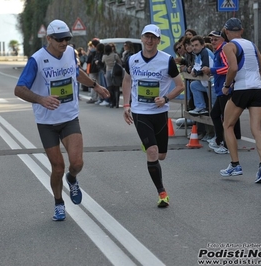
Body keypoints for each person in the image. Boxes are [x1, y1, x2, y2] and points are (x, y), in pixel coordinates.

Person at [14, 19, 110, 221]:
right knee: (57, 167)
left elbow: (76, 73)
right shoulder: (37, 59)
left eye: (67, 38)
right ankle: (58, 202)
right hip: (47, 122)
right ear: (49, 38)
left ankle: (72, 179)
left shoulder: (70, 53)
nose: (64, 43)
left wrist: (96, 86)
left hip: (68, 117)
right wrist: (41, 99)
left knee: (77, 163)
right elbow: (19, 89)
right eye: (59, 39)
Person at [122, 24, 185, 207]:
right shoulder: (132, 60)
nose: (149, 41)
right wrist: (126, 105)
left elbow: (180, 85)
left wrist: (165, 98)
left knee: (162, 155)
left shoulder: (167, 60)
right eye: (146, 37)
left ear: (158, 40)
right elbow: (127, 80)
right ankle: (162, 193)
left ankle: (149, 145)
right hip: (140, 112)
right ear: (142, 38)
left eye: (153, 38)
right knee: (152, 152)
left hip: (160, 112)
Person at [220, 18, 261, 183]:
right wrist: (255, 79)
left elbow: (233, 68)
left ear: (227, 32)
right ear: (241, 31)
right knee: (257, 129)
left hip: (241, 89)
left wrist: (227, 86)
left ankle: (235, 164)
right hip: (257, 89)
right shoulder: (251, 45)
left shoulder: (229, 46)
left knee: (227, 125)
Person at [202, 30, 241, 154]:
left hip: (226, 88)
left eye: (215, 39)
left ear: (222, 39)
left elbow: (228, 67)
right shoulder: (219, 50)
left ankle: (225, 144)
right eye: (211, 39)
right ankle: (220, 140)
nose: (213, 41)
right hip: (221, 88)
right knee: (215, 114)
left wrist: (212, 70)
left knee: (226, 119)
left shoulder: (224, 49)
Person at [188, 35, 215, 116]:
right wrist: (193, 71)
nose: (194, 48)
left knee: (215, 108)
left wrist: (195, 73)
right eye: (192, 45)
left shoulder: (204, 52)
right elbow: (195, 67)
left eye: (196, 45)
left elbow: (204, 68)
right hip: (206, 84)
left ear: (202, 45)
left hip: (213, 84)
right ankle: (200, 107)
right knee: (194, 85)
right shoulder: (198, 54)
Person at [86, 38, 100, 103]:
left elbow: (88, 60)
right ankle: (98, 97)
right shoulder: (99, 50)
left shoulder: (92, 51)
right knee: (98, 83)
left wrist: (88, 52)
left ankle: (94, 98)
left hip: (92, 69)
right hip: (98, 69)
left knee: (92, 83)